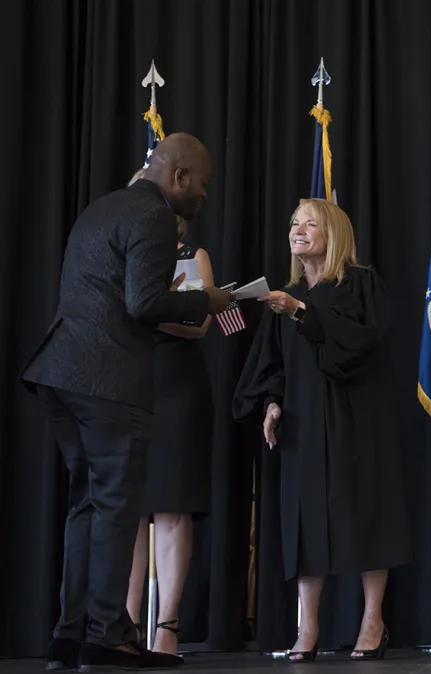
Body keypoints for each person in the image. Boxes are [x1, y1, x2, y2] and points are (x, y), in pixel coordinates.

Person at [20, 133, 232, 670]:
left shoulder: (102, 206)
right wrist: (205, 299)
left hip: (60, 371)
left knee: (87, 502)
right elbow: (144, 302)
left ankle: (69, 637)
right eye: (202, 186)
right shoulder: (156, 215)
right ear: (179, 177)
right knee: (117, 504)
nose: (203, 197)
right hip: (108, 379)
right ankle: (109, 637)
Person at [232, 198, 411, 661]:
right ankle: (306, 626)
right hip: (304, 421)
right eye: (294, 223)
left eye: (310, 223)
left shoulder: (359, 283)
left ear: (333, 235)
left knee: (366, 514)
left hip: (357, 415)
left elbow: (355, 345)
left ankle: (373, 620)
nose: (298, 230)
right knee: (306, 523)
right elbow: (273, 364)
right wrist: (271, 403)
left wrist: (300, 313)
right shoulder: (286, 294)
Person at [122, 168, 217, 656]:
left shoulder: (190, 255)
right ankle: (126, 626)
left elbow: (201, 321)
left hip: (179, 388)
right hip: (131, 382)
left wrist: (146, 313)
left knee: (172, 507)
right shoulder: (123, 251)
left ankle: (168, 627)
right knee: (130, 510)